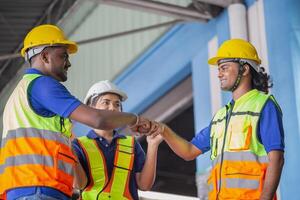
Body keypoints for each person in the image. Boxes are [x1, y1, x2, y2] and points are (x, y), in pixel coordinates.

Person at [0, 24, 154, 200]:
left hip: (27, 187)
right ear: (44, 56)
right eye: (63, 56)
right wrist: (134, 119)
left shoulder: (21, 93)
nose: (69, 63)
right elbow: (96, 119)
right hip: (38, 187)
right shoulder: (42, 85)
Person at [154, 39, 284, 200]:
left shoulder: (263, 105)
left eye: (224, 68)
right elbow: (189, 151)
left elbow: (276, 159)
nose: (219, 74)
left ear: (244, 69)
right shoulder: (221, 117)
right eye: (218, 69)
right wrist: (163, 129)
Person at [72, 80, 163, 200]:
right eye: (106, 102)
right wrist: (69, 147)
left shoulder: (131, 144)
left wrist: (153, 145)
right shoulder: (78, 145)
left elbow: (144, 185)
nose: (113, 108)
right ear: (91, 108)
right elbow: (79, 184)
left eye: (117, 104)